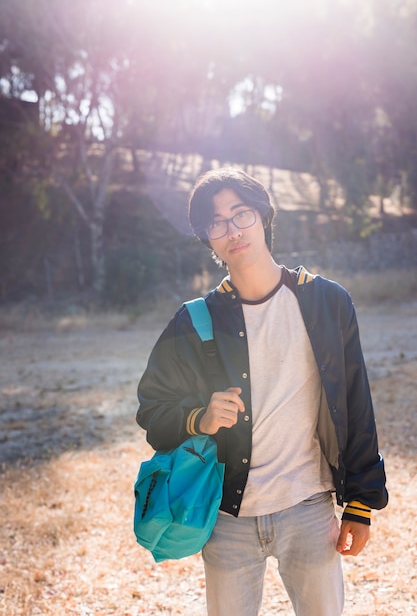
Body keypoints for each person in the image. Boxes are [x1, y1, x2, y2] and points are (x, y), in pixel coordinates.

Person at [136, 168, 388, 616]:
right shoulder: (193, 321)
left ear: (264, 216)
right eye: (217, 223)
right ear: (207, 239)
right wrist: (199, 418)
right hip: (228, 520)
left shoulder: (327, 302)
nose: (232, 230)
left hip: (309, 507)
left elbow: (355, 403)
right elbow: (152, 410)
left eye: (241, 214)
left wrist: (363, 504)